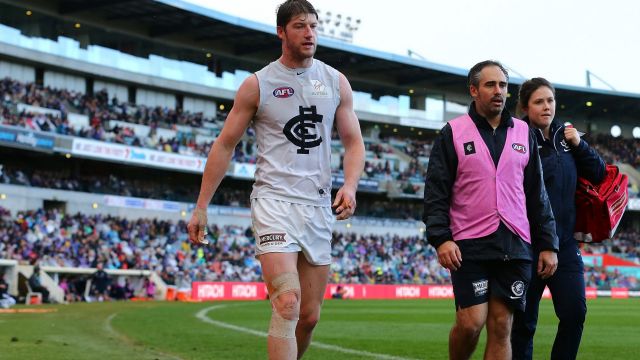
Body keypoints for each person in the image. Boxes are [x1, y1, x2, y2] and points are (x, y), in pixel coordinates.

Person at [187, 1, 365, 359]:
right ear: (281, 32)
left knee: (309, 317)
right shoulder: (258, 84)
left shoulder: (335, 82)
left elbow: (354, 142)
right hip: (273, 202)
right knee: (287, 304)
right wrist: (201, 207)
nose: (310, 32)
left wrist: (349, 185)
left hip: (317, 206)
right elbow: (224, 145)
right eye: (300, 25)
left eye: (314, 25)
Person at [423, 60, 559, 360]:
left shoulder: (524, 133)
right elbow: (435, 192)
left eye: (503, 85)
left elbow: (537, 194)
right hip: (468, 244)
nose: (498, 91)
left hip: (515, 243)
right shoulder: (453, 132)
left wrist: (548, 243)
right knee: (471, 323)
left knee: (501, 327)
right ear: (474, 90)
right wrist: (441, 238)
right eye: (490, 85)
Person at [511, 78, 605, 360]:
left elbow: (598, 173)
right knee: (524, 324)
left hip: (564, 245)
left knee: (575, 313)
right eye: (538, 101)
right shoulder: (517, 139)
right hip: (526, 246)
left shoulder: (567, 137)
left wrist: (579, 144)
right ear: (526, 107)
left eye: (550, 101)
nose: (546, 106)